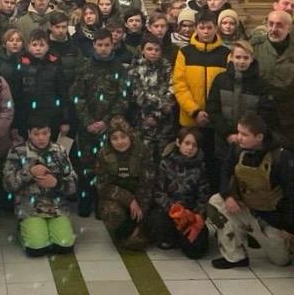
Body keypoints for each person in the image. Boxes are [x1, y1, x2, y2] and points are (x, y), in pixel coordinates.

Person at [208, 112, 294, 269]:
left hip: (272, 218)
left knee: (281, 260)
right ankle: (235, 256)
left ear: (259, 137)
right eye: (238, 132)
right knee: (216, 201)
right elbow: (225, 172)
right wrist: (228, 196)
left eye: (244, 134)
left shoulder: (282, 157)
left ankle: (266, 239)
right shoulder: (237, 148)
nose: (239, 137)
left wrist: (289, 228)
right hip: (246, 208)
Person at [73, 28, 129, 218]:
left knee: (106, 166)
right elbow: (78, 97)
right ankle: (85, 200)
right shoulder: (84, 67)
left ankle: (101, 202)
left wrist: (105, 122)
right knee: (86, 165)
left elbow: (123, 98)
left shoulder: (119, 68)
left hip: (110, 127)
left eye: (107, 45)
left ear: (113, 45)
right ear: (94, 45)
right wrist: (88, 121)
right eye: (100, 45)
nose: (103, 48)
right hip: (86, 126)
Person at [2, 114, 78, 257]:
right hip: (29, 207)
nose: (41, 138)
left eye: (45, 133)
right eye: (36, 134)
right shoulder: (17, 152)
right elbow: (8, 184)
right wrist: (29, 173)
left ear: (50, 133)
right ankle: (24, 230)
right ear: (29, 133)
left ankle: (51, 229)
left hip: (56, 207)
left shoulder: (59, 151)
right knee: (36, 248)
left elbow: (73, 183)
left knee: (65, 246)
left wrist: (57, 183)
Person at [172, 9, 229, 181]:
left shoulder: (225, 54)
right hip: (191, 119)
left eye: (209, 28)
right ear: (196, 28)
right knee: (188, 162)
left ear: (216, 28)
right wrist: (195, 111)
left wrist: (213, 113)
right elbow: (180, 85)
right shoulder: (185, 52)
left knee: (213, 163)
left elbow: (227, 87)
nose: (206, 32)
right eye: (202, 28)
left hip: (216, 120)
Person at [251, 9, 294, 155]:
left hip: (289, 120)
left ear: (289, 28)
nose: (274, 29)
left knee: (289, 159)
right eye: (271, 24)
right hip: (259, 117)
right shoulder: (255, 47)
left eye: (279, 25)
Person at [207, 40, 278, 162]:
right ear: (231, 58)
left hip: (251, 144)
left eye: (246, 58)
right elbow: (213, 109)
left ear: (252, 59)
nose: (241, 61)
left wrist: (247, 135)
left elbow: (266, 114)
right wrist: (227, 134)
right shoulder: (220, 80)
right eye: (238, 57)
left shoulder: (261, 85)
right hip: (223, 141)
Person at [145, 127, 210, 258]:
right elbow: (157, 192)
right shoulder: (165, 163)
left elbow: (204, 196)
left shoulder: (201, 167)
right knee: (159, 224)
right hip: (169, 212)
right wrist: (175, 210)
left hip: (190, 214)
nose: (190, 148)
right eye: (187, 143)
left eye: (194, 145)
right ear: (178, 143)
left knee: (196, 251)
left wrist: (196, 216)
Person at [96, 116, 152, 249]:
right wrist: (129, 199)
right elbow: (102, 186)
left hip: (141, 196)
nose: (120, 142)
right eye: (114, 138)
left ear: (130, 136)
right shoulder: (104, 154)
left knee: (150, 225)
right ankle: (122, 235)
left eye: (123, 137)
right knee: (111, 212)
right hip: (116, 198)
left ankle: (136, 231)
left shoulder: (142, 151)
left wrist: (141, 213)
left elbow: (148, 183)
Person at [127, 36, 176, 159]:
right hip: (141, 120)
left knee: (163, 157)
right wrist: (148, 114)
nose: (153, 52)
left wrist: (157, 114)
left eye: (157, 50)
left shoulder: (167, 67)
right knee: (143, 158)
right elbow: (136, 93)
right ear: (142, 50)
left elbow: (172, 90)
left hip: (164, 121)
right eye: (149, 49)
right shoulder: (134, 68)